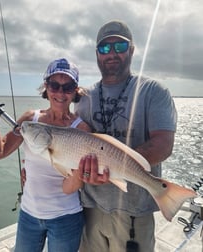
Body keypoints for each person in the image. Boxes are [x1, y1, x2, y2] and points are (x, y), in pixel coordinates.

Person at [0, 58, 99, 252]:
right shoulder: (30, 120)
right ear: (46, 86)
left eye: (67, 86)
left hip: (66, 218)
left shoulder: (82, 130)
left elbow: (71, 186)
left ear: (76, 90)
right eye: (54, 85)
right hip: (28, 216)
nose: (60, 93)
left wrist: (79, 176)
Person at [74, 20, 177, 252]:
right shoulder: (83, 98)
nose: (111, 53)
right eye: (104, 48)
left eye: (119, 47)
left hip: (134, 212)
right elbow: (73, 145)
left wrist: (113, 164)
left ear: (131, 50)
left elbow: (163, 144)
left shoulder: (154, 91)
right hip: (90, 209)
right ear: (97, 54)